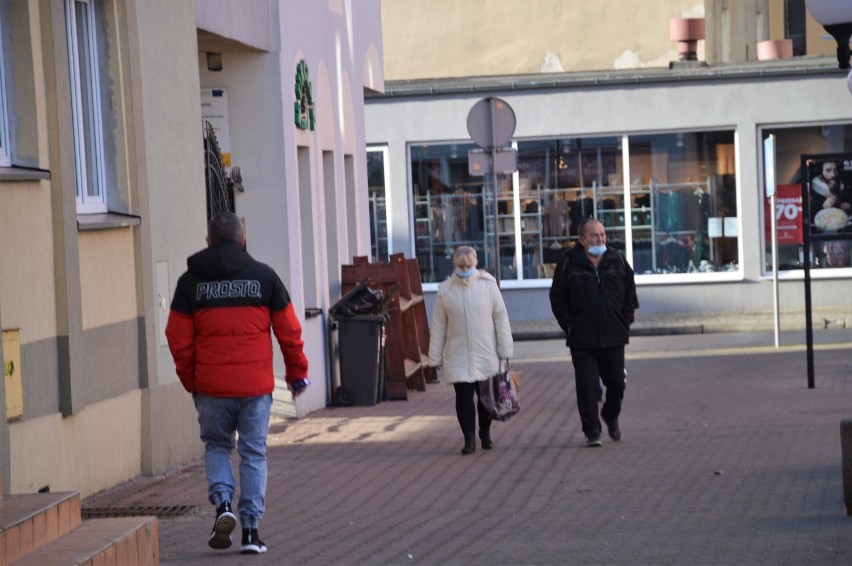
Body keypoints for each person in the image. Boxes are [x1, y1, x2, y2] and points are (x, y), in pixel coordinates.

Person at [166, 212, 309, 554]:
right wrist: (296, 373)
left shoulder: (190, 283)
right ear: (243, 239)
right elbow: (289, 331)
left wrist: (193, 381)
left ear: (208, 242)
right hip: (255, 389)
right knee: (253, 453)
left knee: (217, 447)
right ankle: (250, 531)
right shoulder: (264, 278)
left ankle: (223, 504)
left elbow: (177, 338)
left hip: (211, 388)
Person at [549, 219, 638, 447]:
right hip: (582, 338)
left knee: (617, 382)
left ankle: (610, 414)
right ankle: (592, 431)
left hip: (613, 335)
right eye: (594, 235)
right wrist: (569, 325)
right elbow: (557, 298)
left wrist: (625, 320)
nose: (600, 239)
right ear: (582, 240)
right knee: (587, 386)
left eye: (602, 234)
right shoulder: (569, 263)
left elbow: (630, 292)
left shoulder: (616, 260)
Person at [427, 246, 513, 455]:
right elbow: (439, 325)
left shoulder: (488, 285)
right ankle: (469, 438)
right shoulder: (445, 290)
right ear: (454, 265)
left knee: (485, 398)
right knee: (463, 397)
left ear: (476, 264)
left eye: (469, 265)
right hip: (458, 353)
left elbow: (501, 318)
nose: (465, 269)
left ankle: (485, 433)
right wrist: (435, 357)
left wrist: (505, 349)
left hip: (486, 352)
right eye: (461, 266)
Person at [811, 160, 852, 226]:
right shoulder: (811, 189)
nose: (833, 175)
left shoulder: (844, 185)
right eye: (828, 170)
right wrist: (822, 207)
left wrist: (849, 205)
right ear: (821, 173)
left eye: (835, 170)